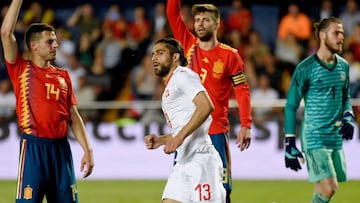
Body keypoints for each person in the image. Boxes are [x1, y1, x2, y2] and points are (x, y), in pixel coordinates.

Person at [1, 0, 94, 202]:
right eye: (50, 41)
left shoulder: (64, 76)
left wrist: (88, 150)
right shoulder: (21, 69)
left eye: (55, 41)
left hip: (61, 150)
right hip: (34, 148)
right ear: (33, 45)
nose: (56, 45)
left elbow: (73, 116)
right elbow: (6, 33)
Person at [166, 1, 252, 202]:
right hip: (187, 135)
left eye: (205, 20)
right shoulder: (188, 46)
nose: (200, 24)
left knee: (221, 192)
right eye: (197, 20)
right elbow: (172, 13)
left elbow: (242, 90)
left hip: (215, 133)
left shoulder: (230, 56)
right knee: (182, 191)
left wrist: (246, 124)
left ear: (217, 24)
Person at [144, 38, 225, 203]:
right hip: (183, 162)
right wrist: (161, 140)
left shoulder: (183, 75)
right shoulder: (169, 88)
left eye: (160, 53)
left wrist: (179, 137)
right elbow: (182, 128)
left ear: (175, 57)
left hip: (201, 160)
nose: (154, 58)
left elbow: (206, 106)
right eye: (153, 54)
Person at [284, 16, 355, 203]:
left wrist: (348, 115)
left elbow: (345, 97)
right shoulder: (305, 68)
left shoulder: (343, 66)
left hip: (335, 137)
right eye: (336, 33)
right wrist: (290, 142)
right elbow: (291, 105)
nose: (341, 37)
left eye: (342, 33)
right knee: (330, 187)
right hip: (315, 137)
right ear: (323, 36)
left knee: (324, 191)